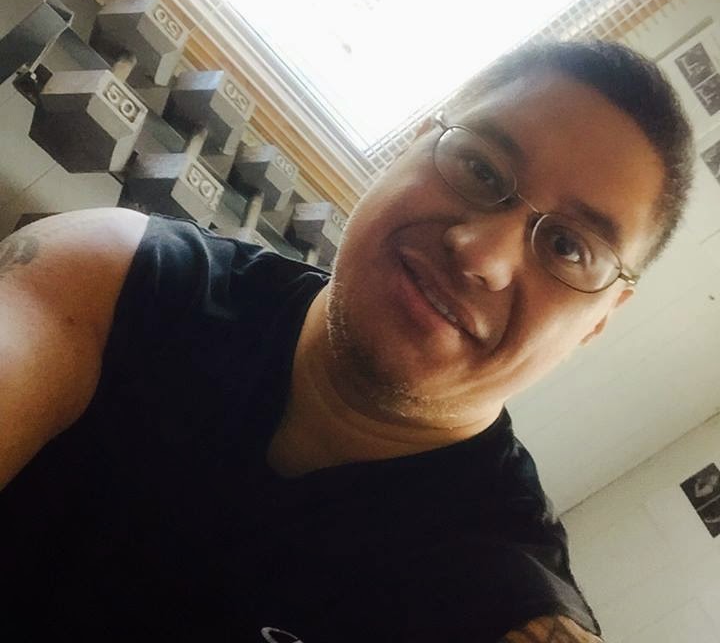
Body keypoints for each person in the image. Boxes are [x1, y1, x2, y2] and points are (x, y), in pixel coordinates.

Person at [0, 38, 694, 642]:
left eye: (569, 247)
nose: (482, 255)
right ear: (413, 144)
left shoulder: (502, 598)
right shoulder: (114, 278)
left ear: (599, 320)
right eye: (482, 170)